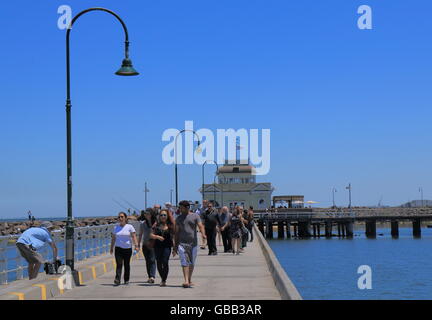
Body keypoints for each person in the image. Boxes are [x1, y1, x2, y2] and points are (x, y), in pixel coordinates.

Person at [173, 200, 206, 288]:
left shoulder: (195, 216)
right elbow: (176, 233)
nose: (179, 209)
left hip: (193, 244)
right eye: (179, 207)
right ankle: (186, 280)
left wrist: (203, 234)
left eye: (181, 208)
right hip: (182, 244)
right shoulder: (178, 218)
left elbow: (200, 225)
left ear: (187, 207)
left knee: (191, 263)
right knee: (184, 262)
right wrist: (175, 247)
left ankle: (189, 279)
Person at [110, 212, 139, 286]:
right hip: (118, 249)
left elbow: (134, 236)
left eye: (122, 217)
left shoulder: (130, 227)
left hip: (127, 249)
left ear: (125, 218)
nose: (120, 218)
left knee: (126, 264)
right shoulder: (115, 228)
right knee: (119, 264)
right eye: (119, 217)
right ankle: (117, 279)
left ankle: (126, 279)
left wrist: (136, 246)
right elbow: (113, 238)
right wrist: (111, 248)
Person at [150, 209, 174, 287]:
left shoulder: (170, 225)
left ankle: (164, 280)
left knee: (165, 262)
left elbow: (174, 237)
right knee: (159, 263)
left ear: (167, 216)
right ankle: (162, 278)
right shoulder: (156, 225)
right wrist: (157, 237)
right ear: (159, 216)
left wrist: (175, 248)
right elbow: (150, 235)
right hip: (157, 247)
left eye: (164, 215)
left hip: (167, 247)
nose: (163, 216)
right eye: (161, 215)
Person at [138, 209, 157, 283]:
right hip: (145, 244)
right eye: (145, 214)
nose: (146, 215)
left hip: (153, 244)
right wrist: (138, 244)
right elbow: (140, 234)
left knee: (152, 260)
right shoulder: (142, 224)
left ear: (151, 214)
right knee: (147, 261)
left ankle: (152, 276)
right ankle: (149, 276)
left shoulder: (155, 223)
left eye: (148, 214)